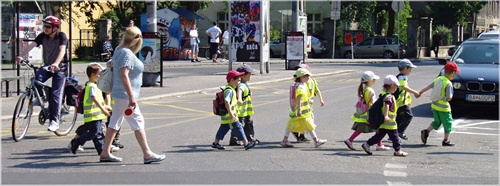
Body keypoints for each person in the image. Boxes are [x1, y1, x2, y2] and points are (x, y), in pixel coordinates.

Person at [99, 26, 166, 164]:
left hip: (118, 93)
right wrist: (131, 97)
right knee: (138, 121)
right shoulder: (127, 53)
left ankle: (105, 152)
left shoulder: (119, 49)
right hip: (124, 94)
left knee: (114, 122)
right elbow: (124, 75)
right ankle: (147, 154)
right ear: (137, 39)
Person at [15, 16, 68, 132]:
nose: (46, 28)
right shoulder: (43, 36)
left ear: (55, 28)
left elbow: (62, 51)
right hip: (47, 66)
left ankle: (55, 121)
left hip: (60, 68)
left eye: (48, 26)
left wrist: (56, 63)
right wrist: (20, 55)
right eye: (45, 26)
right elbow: (31, 45)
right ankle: (42, 98)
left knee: (55, 94)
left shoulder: (61, 36)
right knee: (36, 79)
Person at [361, 75, 408, 157]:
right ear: (392, 86)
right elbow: (387, 106)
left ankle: (367, 144)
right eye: (396, 86)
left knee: (379, 136)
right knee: (395, 137)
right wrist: (386, 116)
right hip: (389, 122)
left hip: (384, 122)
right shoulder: (389, 96)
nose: (396, 88)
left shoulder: (383, 94)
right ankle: (398, 150)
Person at [69, 63, 111, 155]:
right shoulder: (91, 86)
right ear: (92, 75)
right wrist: (104, 110)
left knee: (98, 134)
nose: (100, 76)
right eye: (99, 74)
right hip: (93, 115)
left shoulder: (96, 85)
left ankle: (102, 151)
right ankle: (77, 142)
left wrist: (106, 107)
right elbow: (94, 98)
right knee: (94, 133)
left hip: (97, 115)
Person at [344, 71, 390, 151]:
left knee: (363, 128)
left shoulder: (363, 89)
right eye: (373, 79)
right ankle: (350, 140)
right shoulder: (370, 91)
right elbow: (372, 102)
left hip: (363, 112)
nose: (375, 81)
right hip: (369, 113)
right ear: (370, 81)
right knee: (377, 127)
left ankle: (351, 140)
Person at [280, 68, 327, 148]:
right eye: (306, 76)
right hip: (302, 111)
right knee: (309, 125)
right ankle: (316, 141)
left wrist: (308, 100)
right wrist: (299, 110)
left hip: (295, 110)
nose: (308, 78)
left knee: (290, 125)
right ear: (301, 77)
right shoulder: (301, 87)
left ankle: (285, 140)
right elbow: (300, 98)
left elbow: (303, 97)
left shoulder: (299, 85)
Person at [211, 70, 256, 150]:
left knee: (223, 129)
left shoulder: (230, 89)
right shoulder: (229, 90)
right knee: (239, 128)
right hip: (231, 116)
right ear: (232, 80)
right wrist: (231, 114)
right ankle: (246, 143)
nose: (239, 83)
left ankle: (216, 142)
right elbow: (227, 102)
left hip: (227, 116)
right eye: (237, 80)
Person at [419, 62, 460, 146]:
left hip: (434, 105)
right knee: (448, 122)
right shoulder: (448, 83)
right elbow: (449, 97)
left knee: (437, 121)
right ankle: (446, 140)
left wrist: (420, 92)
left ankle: (426, 131)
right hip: (444, 107)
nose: (455, 75)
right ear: (452, 73)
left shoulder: (439, 79)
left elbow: (428, 86)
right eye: (455, 73)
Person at [292, 64, 325, 142]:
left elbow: (317, 90)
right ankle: (313, 139)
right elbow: (301, 95)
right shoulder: (300, 83)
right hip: (303, 104)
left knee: (304, 121)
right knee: (307, 121)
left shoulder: (311, 81)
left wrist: (321, 100)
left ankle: (298, 133)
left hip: (308, 105)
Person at [228, 65, 259, 146]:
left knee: (248, 124)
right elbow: (240, 91)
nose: (250, 75)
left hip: (246, 110)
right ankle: (234, 139)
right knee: (240, 126)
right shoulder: (241, 85)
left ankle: (249, 138)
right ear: (243, 75)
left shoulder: (244, 84)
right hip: (241, 110)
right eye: (249, 74)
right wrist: (239, 99)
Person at [394, 59, 421, 141]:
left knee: (399, 118)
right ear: (405, 68)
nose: (410, 71)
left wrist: (409, 100)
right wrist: (415, 92)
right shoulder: (402, 77)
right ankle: (400, 132)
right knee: (409, 116)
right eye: (410, 69)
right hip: (401, 102)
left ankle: (394, 133)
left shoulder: (400, 77)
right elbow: (404, 87)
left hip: (400, 102)